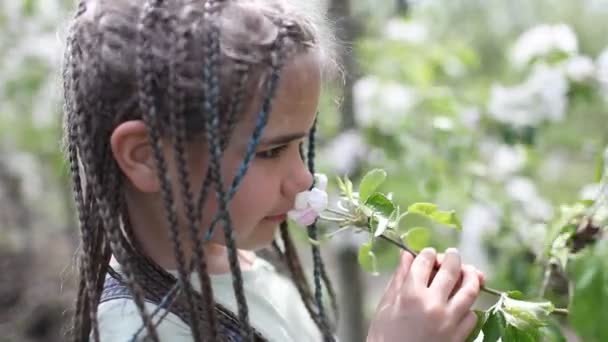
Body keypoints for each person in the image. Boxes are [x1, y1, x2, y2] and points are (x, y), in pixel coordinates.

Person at [62, 0, 484, 341]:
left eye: (302, 146)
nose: (303, 179)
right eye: (271, 151)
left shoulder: (248, 266)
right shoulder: (139, 329)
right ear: (148, 156)